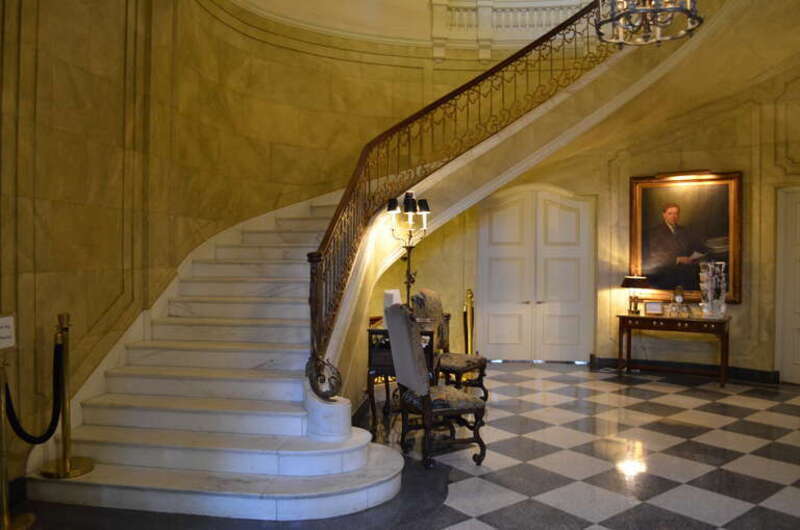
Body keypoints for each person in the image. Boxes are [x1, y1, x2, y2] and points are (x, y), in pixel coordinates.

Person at [643, 203, 706, 290]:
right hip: (666, 277)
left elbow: (693, 247)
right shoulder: (655, 232)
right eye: (670, 213)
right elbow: (655, 256)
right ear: (664, 215)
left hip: (685, 276)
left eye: (676, 213)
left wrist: (693, 257)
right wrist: (677, 259)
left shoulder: (684, 230)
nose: (673, 216)